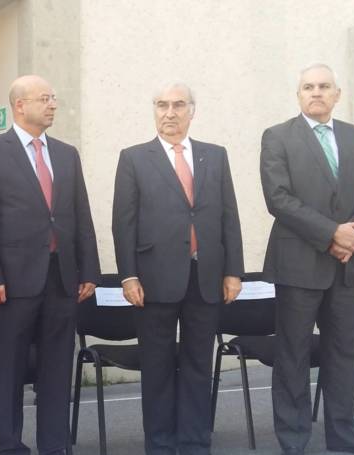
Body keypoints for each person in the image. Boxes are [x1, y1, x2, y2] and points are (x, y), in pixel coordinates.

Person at [0, 74, 100, 455]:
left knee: (57, 369)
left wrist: (89, 270)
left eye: (54, 98)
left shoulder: (66, 153)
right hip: (11, 282)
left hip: (62, 279)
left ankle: (55, 445)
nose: (53, 104)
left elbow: (80, 216)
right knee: (10, 368)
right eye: (45, 98)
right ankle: (11, 445)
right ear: (20, 105)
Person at [260, 64, 354, 455]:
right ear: (298, 95)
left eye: (324, 86)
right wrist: (332, 233)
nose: (316, 92)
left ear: (337, 94)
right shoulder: (278, 136)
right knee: (294, 355)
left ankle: (344, 437)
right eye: (308, 87)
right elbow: (278, 199)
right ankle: (294, 441)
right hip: (299, 265)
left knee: (344, 353)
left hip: (347, 265)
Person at [112, 82, 243, 454]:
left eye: (178, 105)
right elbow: (123, 221)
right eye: (161, 105)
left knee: (199, 363)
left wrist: (233, 271)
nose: (170, 112)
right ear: (154, 110)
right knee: (157, 366)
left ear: (192, 111)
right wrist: (129, 275)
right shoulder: (134, 158)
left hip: (205, 278)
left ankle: (195, 440)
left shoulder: (214, 156)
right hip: (153, 280)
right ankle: (160, 443)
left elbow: (228, 216)